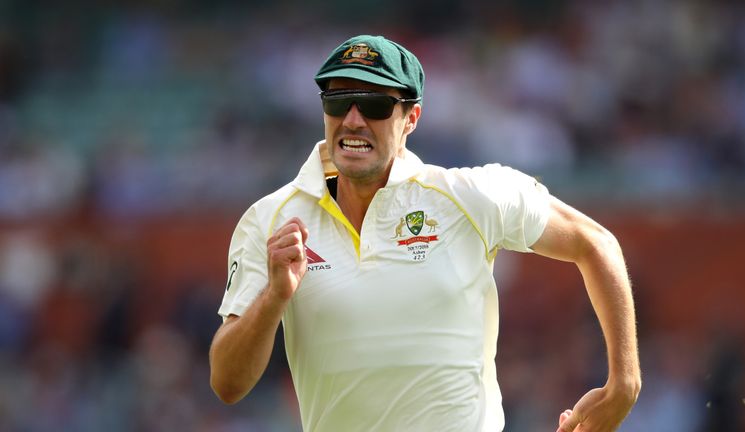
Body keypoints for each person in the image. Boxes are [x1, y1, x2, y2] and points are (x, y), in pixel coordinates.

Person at [209, 34, 641, 432]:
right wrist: (273, 299)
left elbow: (595, 243)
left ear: (411, 117)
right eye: (338, 100)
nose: (353, 119)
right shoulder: (270, 219)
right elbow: (227, 383)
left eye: (375, 104)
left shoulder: (469, 196)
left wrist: (624, 383)